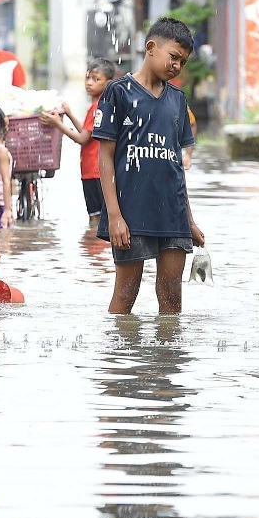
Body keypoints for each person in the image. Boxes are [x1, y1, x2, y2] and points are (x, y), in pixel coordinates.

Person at [93, 17, 205, 315]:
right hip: (132, 213)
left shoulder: (178, 100)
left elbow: (176, 166)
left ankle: (167, 359)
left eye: (183, 62)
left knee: (171, 299)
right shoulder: (118, 93)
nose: (177, 66)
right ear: (151, 47)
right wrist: (115, 216)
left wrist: (189, 220)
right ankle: (117, 358)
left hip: (173, 213)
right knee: (125, 296)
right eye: (174, 57)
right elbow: (104, 158)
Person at [39, 57, 116, 227]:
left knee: (95, 219)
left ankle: (94, 249)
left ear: (108, 83)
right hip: (98, 170)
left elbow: (82, 139)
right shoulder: (101, 105)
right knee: (101, 217)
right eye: (87, 78)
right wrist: (70, 114)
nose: (89, 83)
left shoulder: (98, 108)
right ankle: (97, 250)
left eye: (96, 79)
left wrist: (58, 124)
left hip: (94, 171)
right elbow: (87, 131)